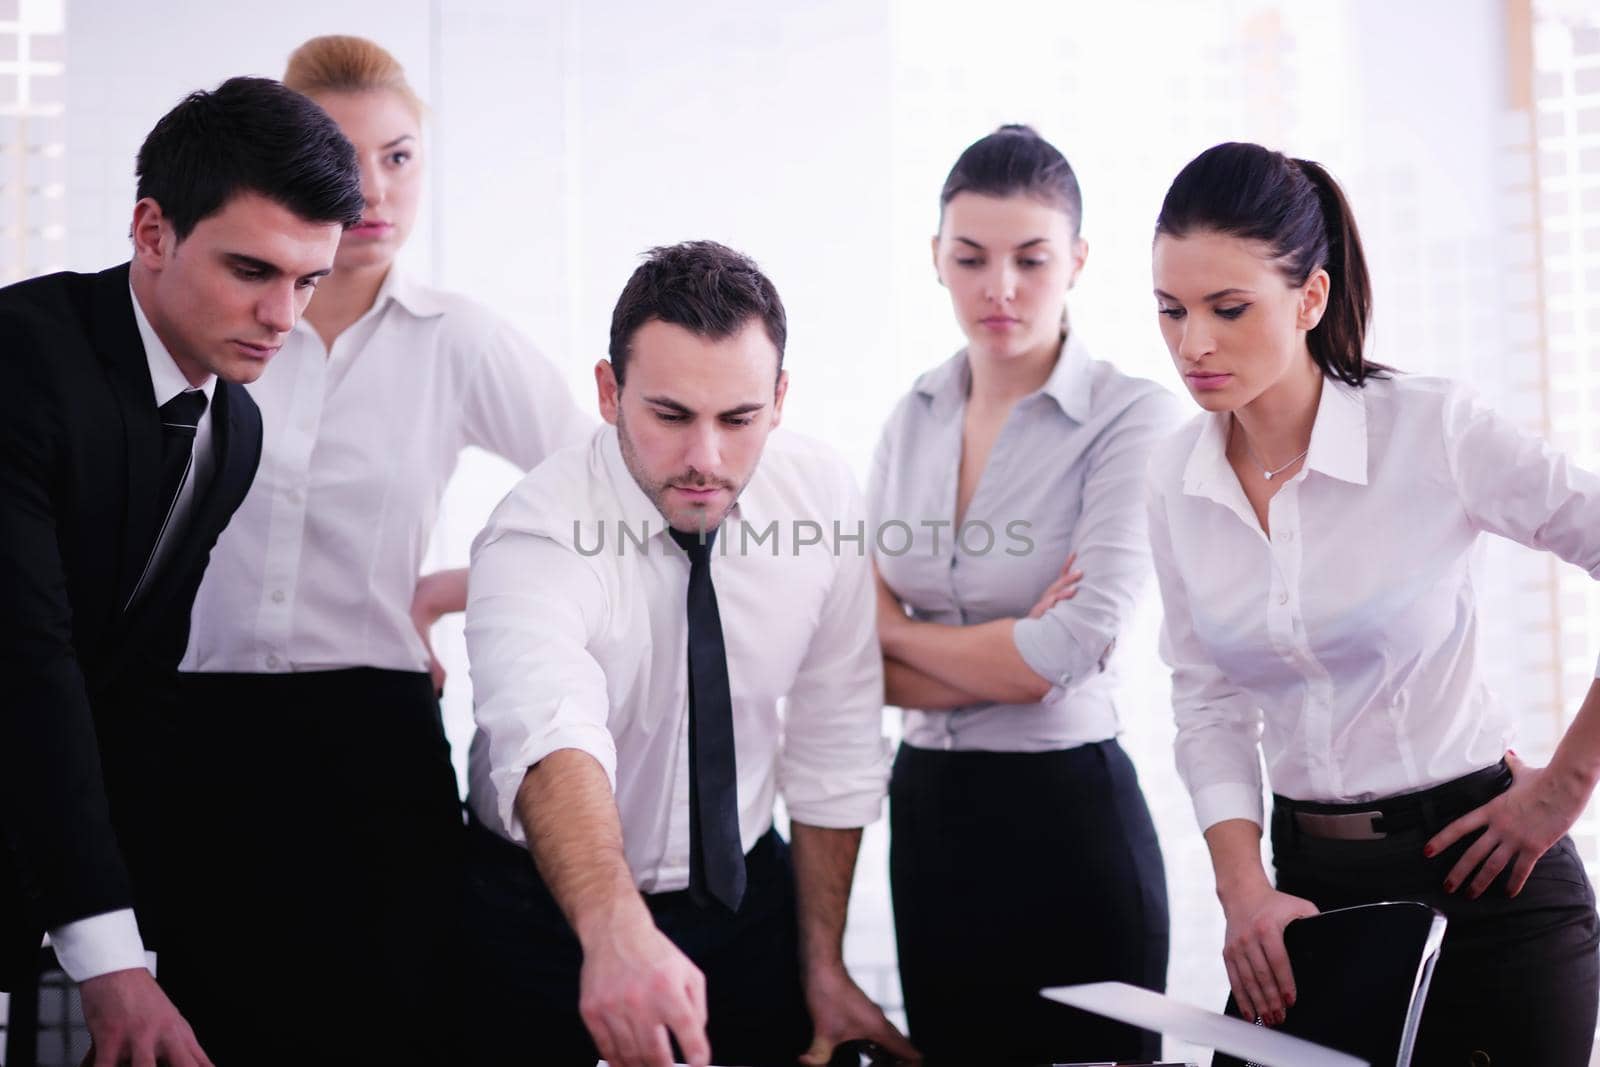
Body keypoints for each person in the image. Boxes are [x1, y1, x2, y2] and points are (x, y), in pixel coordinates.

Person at [160, 36, 594, 1066]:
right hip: (195, 726)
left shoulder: (458, 338)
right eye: (341, 157)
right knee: (211, 1022)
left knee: (389, 1020)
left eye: (398, 157)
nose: (372, 188)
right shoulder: (212, 314)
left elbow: (605, 499)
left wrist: (450, 589)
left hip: (371, 733)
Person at [1147, 140, 1600, 1065]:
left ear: (1310, 298)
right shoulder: (1173, 476)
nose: (1194, 343)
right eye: (1171, 309)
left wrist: (1562, 787)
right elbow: (1206, 697)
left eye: (1229, 309)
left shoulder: (1432, 430)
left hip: (1487, 882)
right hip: (1305, 896)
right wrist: (1243, 891)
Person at [462, 240, 917, 1067]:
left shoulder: (819, 498)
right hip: (541, 913)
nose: (706, 457)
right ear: (609, 392)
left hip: (747, 900)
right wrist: (614, 929)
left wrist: (823, 966)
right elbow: (547, 733)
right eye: (670, 416)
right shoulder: (536, 528)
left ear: (779, 400)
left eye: (738, 419)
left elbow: (832, 744)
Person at [0, 77, 361, 1067]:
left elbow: (133, 686)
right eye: (253, 268)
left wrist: (133, 940)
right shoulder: (20, 358)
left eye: (310, 279)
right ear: (152, 231)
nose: (283, 314)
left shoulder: (233, 429)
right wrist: (111, 960)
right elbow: (29, 664)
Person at [869, 124, 1179, 1064]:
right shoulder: (911, 415)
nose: (998, 288)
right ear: (936, 259)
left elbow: (1067, 653)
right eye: (971, 258)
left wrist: (900, 632)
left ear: (1078, 260)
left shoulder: (1134, 416)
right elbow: (851, 655)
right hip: (928, 817)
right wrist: (1004, 650)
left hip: (1070, 825)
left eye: (1030, 259)